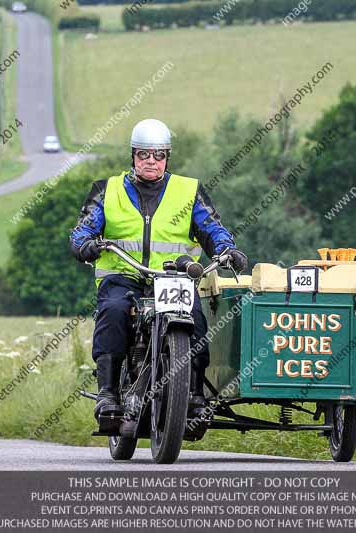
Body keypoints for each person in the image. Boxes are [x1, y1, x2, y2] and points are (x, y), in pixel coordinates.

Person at [70, 118, 248, 423]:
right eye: (144, 154)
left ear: (167, 157)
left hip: (173, 278)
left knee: (195, 316)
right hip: (124, 276)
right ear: (133, 156)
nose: (151, 161)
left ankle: (193, 394)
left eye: (159, 155)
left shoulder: (189, 191)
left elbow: (212, 228)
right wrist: (86, 244)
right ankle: (108, 392)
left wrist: (225, 249)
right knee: (113, 310)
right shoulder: (106, 190)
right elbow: (82, 230)